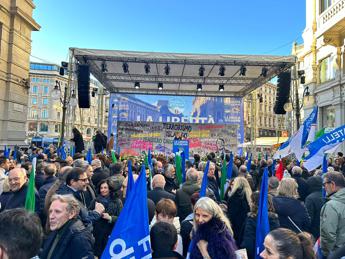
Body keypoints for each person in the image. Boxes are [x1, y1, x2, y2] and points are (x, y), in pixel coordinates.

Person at [40, 194, 94, 259]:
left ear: (71, 214)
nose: (51, 216)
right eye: (50, 211)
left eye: (57, 212)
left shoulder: (80, 239)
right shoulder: (57, 229)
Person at [240, 192, 280, 258]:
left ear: (255, 204)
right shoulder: (274, 219)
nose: (249, 203)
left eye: (251, 201)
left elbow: (248, 243)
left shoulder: (252, 219)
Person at [90, 178, 123, 257]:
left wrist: (110, 218)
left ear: (110, 189)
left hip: (110, 234)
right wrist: (95, 212)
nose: (103, 190)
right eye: (101, 188)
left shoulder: (117, 201)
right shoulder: (95, 201)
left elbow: (122, 219)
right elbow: (89, 215)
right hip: (97, 234)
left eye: (105, 188)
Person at [320, 171, 345, 256]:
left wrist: (327, 254)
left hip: (337, 253)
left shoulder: (331, 205)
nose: (324, 187)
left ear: (332, 184)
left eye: (324, 184)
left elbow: (328, 234)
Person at [226, 176, 252, 245]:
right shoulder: (249, 196)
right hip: (246, 227)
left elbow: (231, 215)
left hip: (235, 227)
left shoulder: (234, 197)